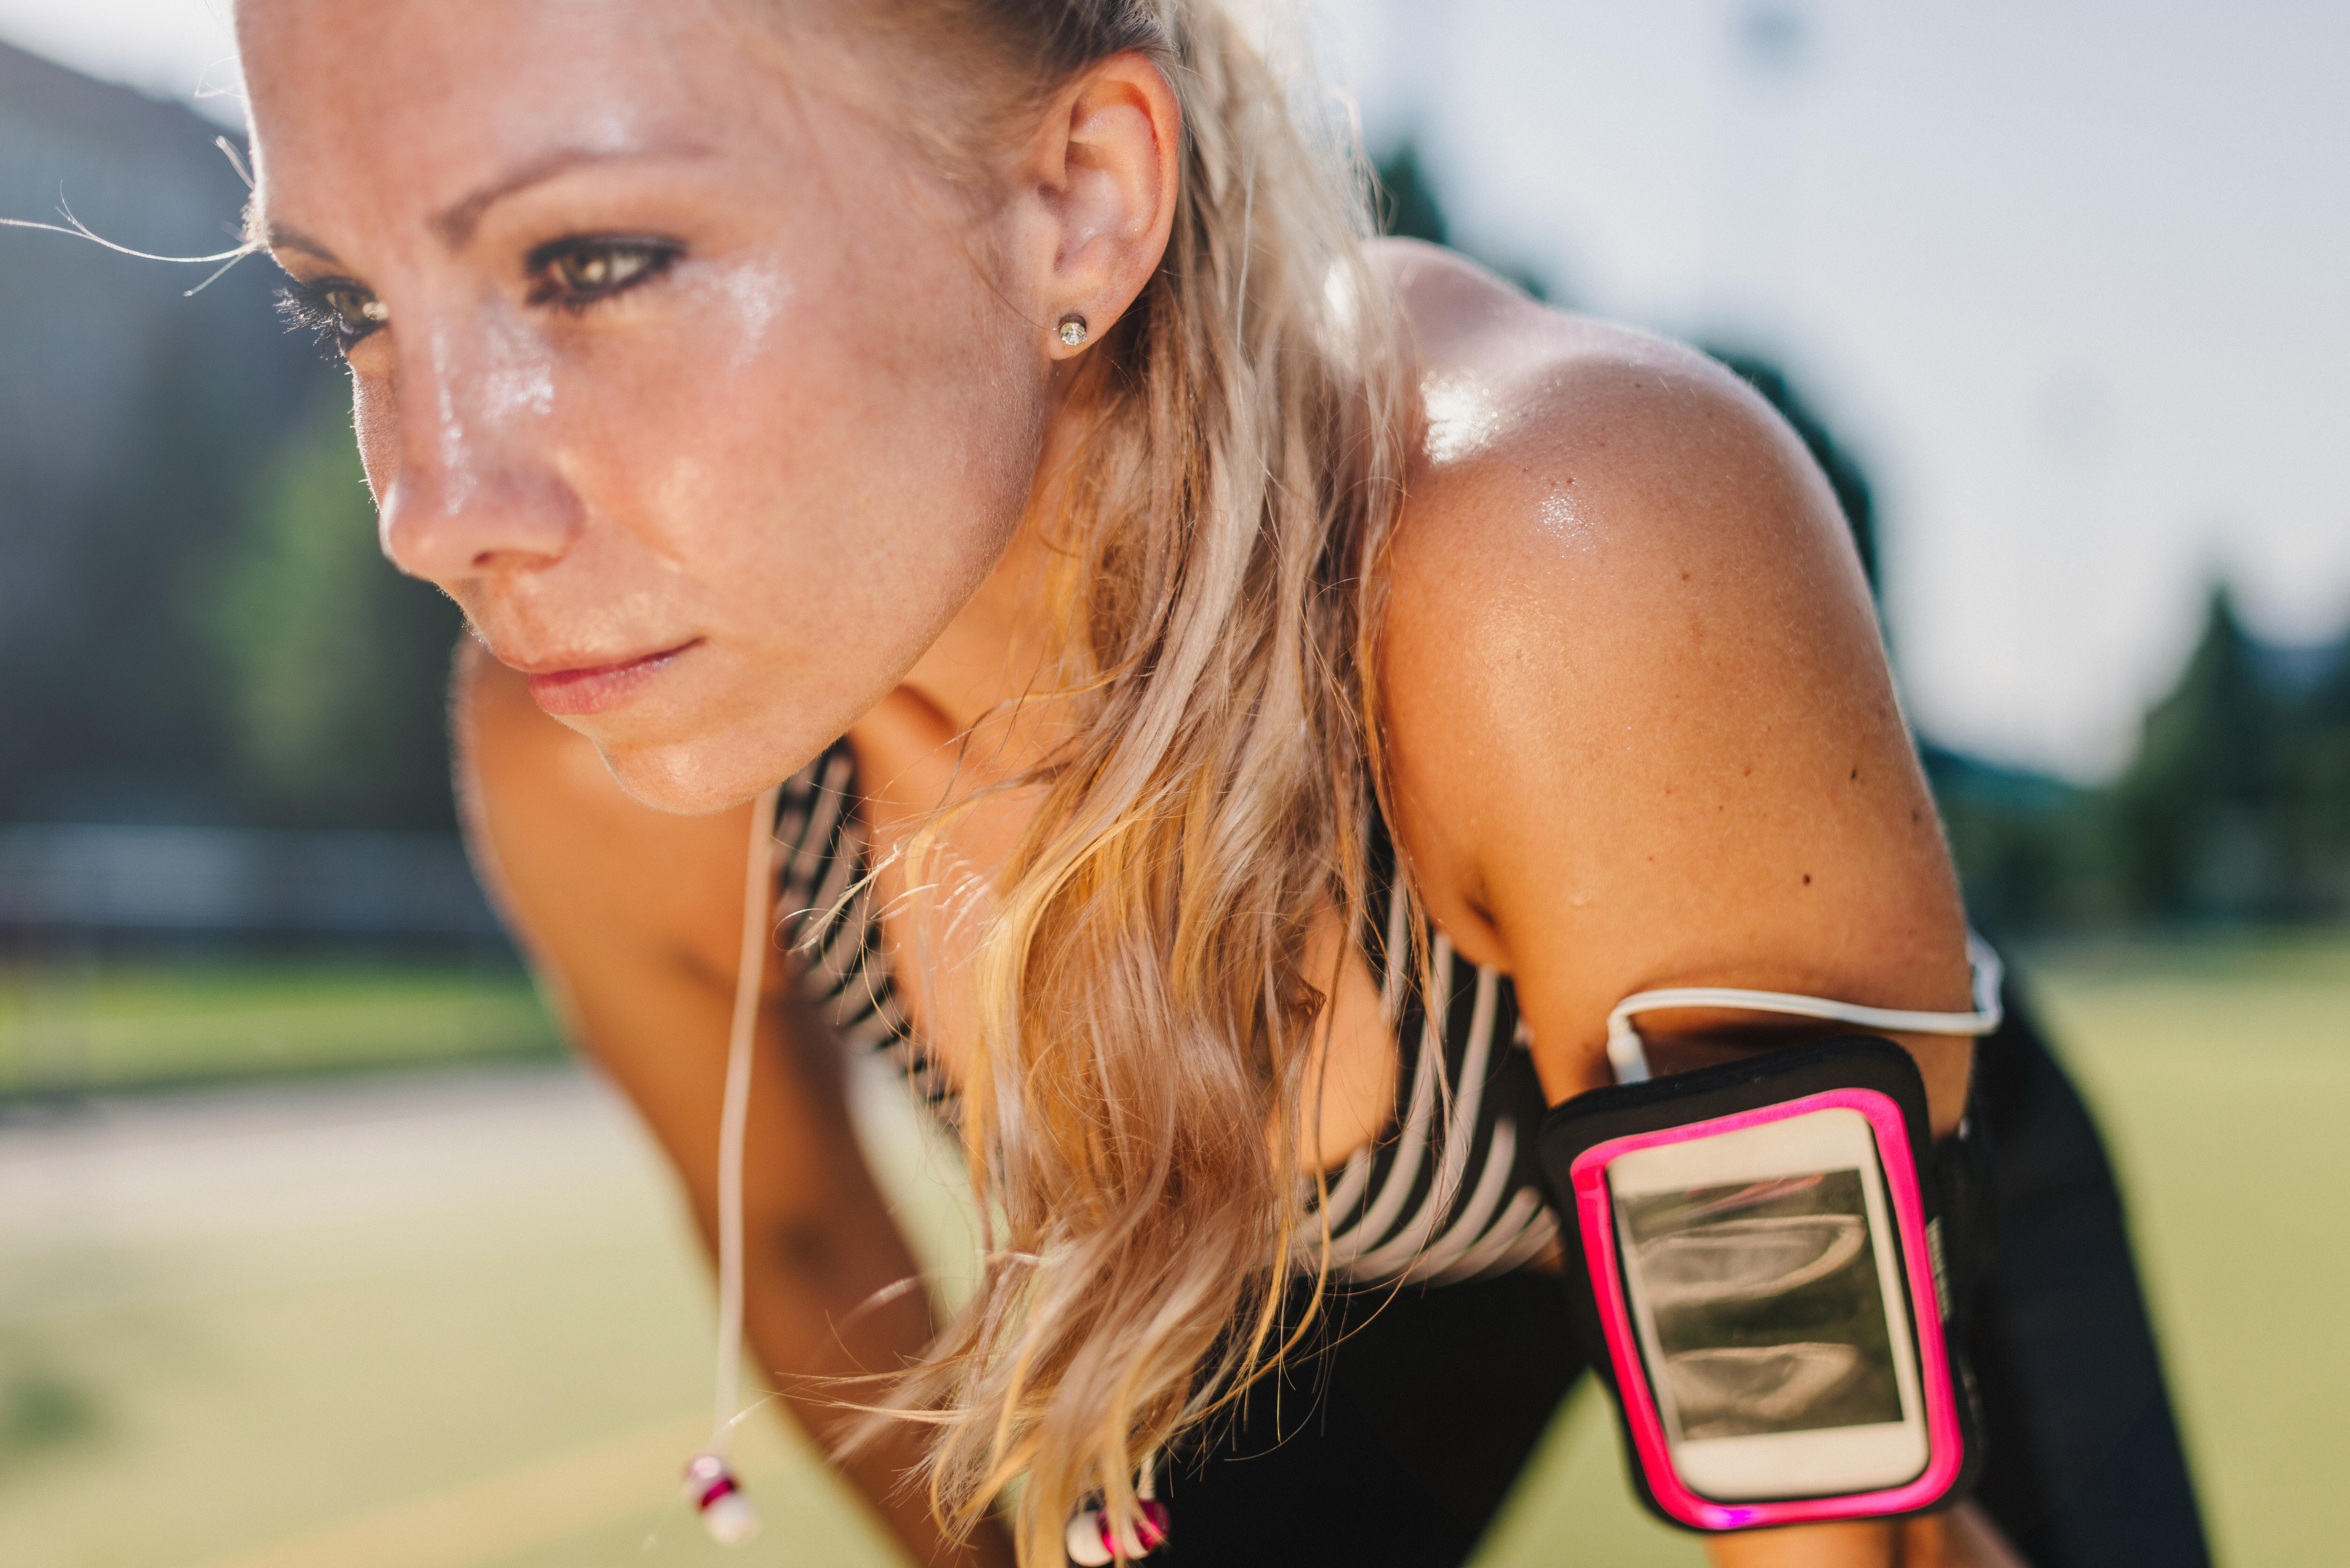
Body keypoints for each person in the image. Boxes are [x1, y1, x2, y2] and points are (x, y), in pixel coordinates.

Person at [235, 2, 2202, 1564]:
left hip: (1836, 1248)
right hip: (1275, 1293)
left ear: (1077, 199)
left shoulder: (1560, 562)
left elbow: (1827, 1515)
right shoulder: (604, 749)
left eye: (591, 263)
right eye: (349, 308)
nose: (429, 507)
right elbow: (815, 1248)